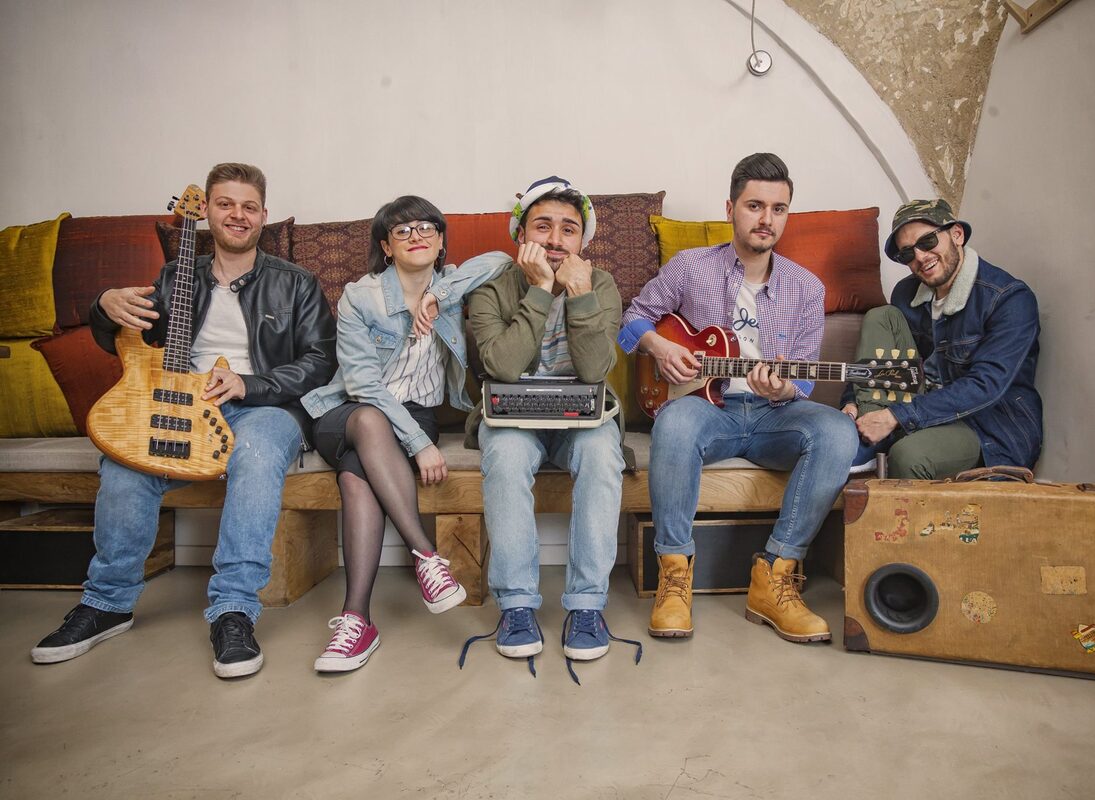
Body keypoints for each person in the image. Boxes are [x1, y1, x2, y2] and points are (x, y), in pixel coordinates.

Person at [31, 163, 337, 678]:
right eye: (226, 204)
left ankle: (234, 609)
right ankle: (107, 602)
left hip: (264, 407)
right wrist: (103, 306)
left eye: (249, 207)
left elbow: (320, 361)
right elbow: (133, 338)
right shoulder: (176, 277)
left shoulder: (297, 283)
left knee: (257, 454)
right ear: (207, 211)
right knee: (124, 464)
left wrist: (249, 383)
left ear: (263, 215)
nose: (238, 215)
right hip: (179, 405)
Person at [619, 153, 857, 644]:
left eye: (778, 209)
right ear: (730, 208)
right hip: (708, 409)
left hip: (774, 416)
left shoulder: (807, 288)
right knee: (674, 422)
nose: (767, 219)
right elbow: (633, 318)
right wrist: (661, 348)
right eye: (755, 205)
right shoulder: (690, 267)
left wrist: (785, 388)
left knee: (838, 430)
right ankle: (674, 576)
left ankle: (775, 576)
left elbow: (803, 381)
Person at [301, 195, 502, 673]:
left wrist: (439, 297)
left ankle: (357, 622)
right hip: (345, 413)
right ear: (386, 247)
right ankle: (427, 556)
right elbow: (363, 388)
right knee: (370, 420)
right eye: (402, 230)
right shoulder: (361, 296)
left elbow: (501, 260)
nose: (416, 236)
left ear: (440, 241)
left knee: (356, 477)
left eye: (426, 227)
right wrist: (420, 443)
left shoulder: (449, 285)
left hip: (413, 414)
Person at [457, 176, 640, 682]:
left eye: (569, 229)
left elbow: (595, 370)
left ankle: (587, 606)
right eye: (543, 227)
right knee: (507, 454)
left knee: (602, 453)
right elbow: (503, 367)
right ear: (522, 235)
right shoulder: (493, 288)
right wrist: (540, 290)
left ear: (583, 240)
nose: (556, 240)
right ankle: (516, 606)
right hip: (513, 417)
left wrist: (579, 295)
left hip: (581, 418)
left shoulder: (600, 284)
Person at [840, 198, 1042, 477]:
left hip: (985, 427)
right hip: (921, 406)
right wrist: (852, 402)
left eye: (927, 241)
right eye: (907, 253)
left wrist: (896, 416)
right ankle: (870, 433)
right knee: (882, 316)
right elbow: (880, 365)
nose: (920, 257)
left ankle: (885, 435)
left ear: (957, 235)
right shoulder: (907, 293)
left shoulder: (1008, 299)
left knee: (909, 455)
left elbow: (985, 385)